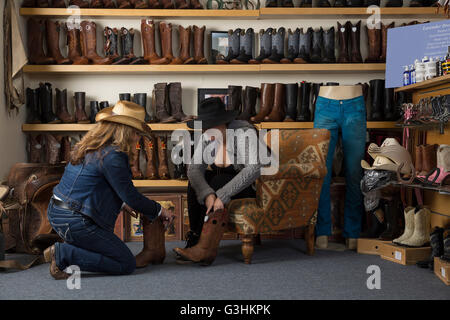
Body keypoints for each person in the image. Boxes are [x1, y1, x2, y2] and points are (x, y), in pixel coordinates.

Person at [44, 101, 175, 279]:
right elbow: (132, 197)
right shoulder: (113, 155)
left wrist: (121, 203)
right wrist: (159, 210)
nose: (138, 139)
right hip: (75, 220)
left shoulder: (91, 146)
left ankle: (73, 247)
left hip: (57, 213)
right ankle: (64, 254)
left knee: (108, 251)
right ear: (126, 131)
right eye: (137, 133)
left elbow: (93, 185)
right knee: (125, 263)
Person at [173, 97, 263, 265]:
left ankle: (205, 248)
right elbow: (194, 169)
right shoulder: (207, 135)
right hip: (219, 186)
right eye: (205, 127)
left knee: (218, 180)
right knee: (196, 182)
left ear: (224, 122)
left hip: (244, 187)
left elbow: (253, 169)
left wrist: (222, 195)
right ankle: (195, 240)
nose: (208, 132)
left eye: (212, 126)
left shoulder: (244, 133)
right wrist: (207, 195)